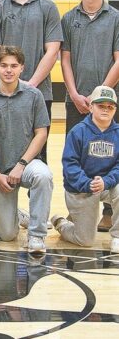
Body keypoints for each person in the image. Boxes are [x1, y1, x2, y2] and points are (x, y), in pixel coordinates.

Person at [0, 0, 62, 163]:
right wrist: (13, 82)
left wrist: (29, 85)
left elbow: (52, 51)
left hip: (40, 92)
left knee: (38, 158)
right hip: (2, 93)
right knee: (1, 153)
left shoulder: (48, 8)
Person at [0, 46, 52, 254]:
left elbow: (41, 133)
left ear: (22, 68)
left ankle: (37, 235)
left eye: (14, 66)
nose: (9, 70)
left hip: (27, 165)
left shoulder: (34, 95)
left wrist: (22, 164)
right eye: (4, 66)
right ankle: (18, 215)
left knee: (43, 175)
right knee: (7, 235)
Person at [61, 0, 119, 233]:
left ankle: (108, 212)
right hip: (76, 99)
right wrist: (72, 92)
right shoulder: (69, 18)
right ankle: (79, 210)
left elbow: (118, 59)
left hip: (107, 101)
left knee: (109, 154)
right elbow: (65, 58)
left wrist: (99, 96)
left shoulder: (116, 18)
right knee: (77, 155)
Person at [53, 85, 119, 254]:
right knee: (85, 241)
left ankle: (117, 237)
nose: (106, 110)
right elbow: (70, 165)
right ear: (90, 107)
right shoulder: (78, 132)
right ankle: (61, 223)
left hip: (106, 185)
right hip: (81, 187)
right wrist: (88, 183)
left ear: (115, 109)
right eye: (101, 105)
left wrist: (106, 181)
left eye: (110, 106)